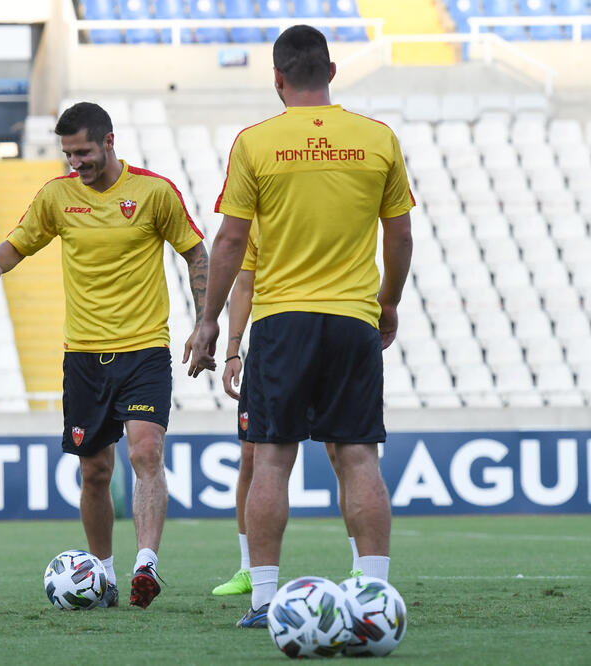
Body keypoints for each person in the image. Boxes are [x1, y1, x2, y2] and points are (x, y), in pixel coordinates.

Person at [187, 25, 414, 628]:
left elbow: (232, 240)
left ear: (278, 78)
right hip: (352, 318)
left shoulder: (256, 143)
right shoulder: (377, 139)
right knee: (359, 458)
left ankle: (264, 600)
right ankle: (374, 597)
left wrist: (209, 323)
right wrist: (387, 301)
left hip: (283, 320)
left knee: (271, 461)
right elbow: (400, 234)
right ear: (333, 72)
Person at [0, 102, 209, 609]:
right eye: (67, 153)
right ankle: (102, 575)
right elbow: (21, 240)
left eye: (81, 151)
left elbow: (195, 250)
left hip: (145, 348)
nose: (74, 162)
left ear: (108, 141)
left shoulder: (153, 192)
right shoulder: (57, 196)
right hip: (82, 354)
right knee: (94, 471)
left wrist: (204, 322)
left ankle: (145, 564)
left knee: (145, 452)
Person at [211, 223, 360, 597]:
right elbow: (244, 283)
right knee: (253, 454)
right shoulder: (258, 215)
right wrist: (232, 350)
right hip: (276, 336)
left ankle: (361, 567)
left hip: (326, 328)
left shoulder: (331, 200)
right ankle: (249, 569)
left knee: (343, 453)